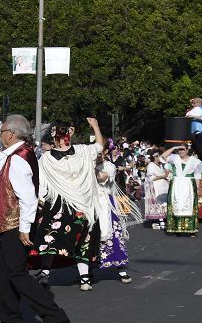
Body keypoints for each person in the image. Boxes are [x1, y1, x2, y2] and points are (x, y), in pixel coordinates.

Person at [0, 115, 71, 323]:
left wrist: (24, 228)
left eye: (1, 131)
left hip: (17, 223)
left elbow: (28, 198)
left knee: (17, 272)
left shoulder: (18, 159)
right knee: (3, 271)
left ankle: (53, 315)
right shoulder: (20, 151)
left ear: (10, 134)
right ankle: (10, 319)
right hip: (11, 223)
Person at [29, 119, 105, 292]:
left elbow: (41, 185)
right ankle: (84, 279)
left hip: (60, 205)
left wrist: (40, 202)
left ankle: (45, 273)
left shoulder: (46, 158)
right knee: (82, 241)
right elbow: (99, 145)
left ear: (54, 135)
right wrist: (95, 126)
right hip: (83, 206)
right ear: (69, 133)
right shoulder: (84, 151)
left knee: (50, 237)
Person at [95, 151, 133, 283]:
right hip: (90, 204)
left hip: (106, 204)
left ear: (104, 152)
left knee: (114, 237)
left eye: (98, 153)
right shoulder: (87, 164)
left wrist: (90, 168)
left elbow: (101, 178)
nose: (96, 156)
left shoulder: (109, 166)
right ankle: (85, 271)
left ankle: (121, 270)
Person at [164, 143, 202, 236]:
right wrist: (174, 147)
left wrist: (197, 187)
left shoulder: (195, 161)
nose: (181, 151)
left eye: (183, 150)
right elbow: (163, 156)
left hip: (188, 184)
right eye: (179, 150)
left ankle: (191, 229)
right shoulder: (175, 158)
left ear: (187, 150)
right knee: (177, 205)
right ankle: (176, 228)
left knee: (189, 206)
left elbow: (197, 175)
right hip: (176, 185)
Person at [144, 149, 169, 228]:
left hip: (163, 186)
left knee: (164, 202)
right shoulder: (151, 165)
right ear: (154, 157)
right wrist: (162, 176)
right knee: (159, 203)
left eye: (160, 156)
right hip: (156, 187)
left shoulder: (162, 165)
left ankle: (164, 219)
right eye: (157, 156)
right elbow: (150, 178)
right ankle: (160, 220)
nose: (159, 158)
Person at [186, 97, 202, 169]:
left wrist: (197, 117)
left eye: (193, 103)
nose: (192, 104)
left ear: (198, 103)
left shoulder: (198, 109)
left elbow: (188, 114)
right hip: (200, 134)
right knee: (201, 152)